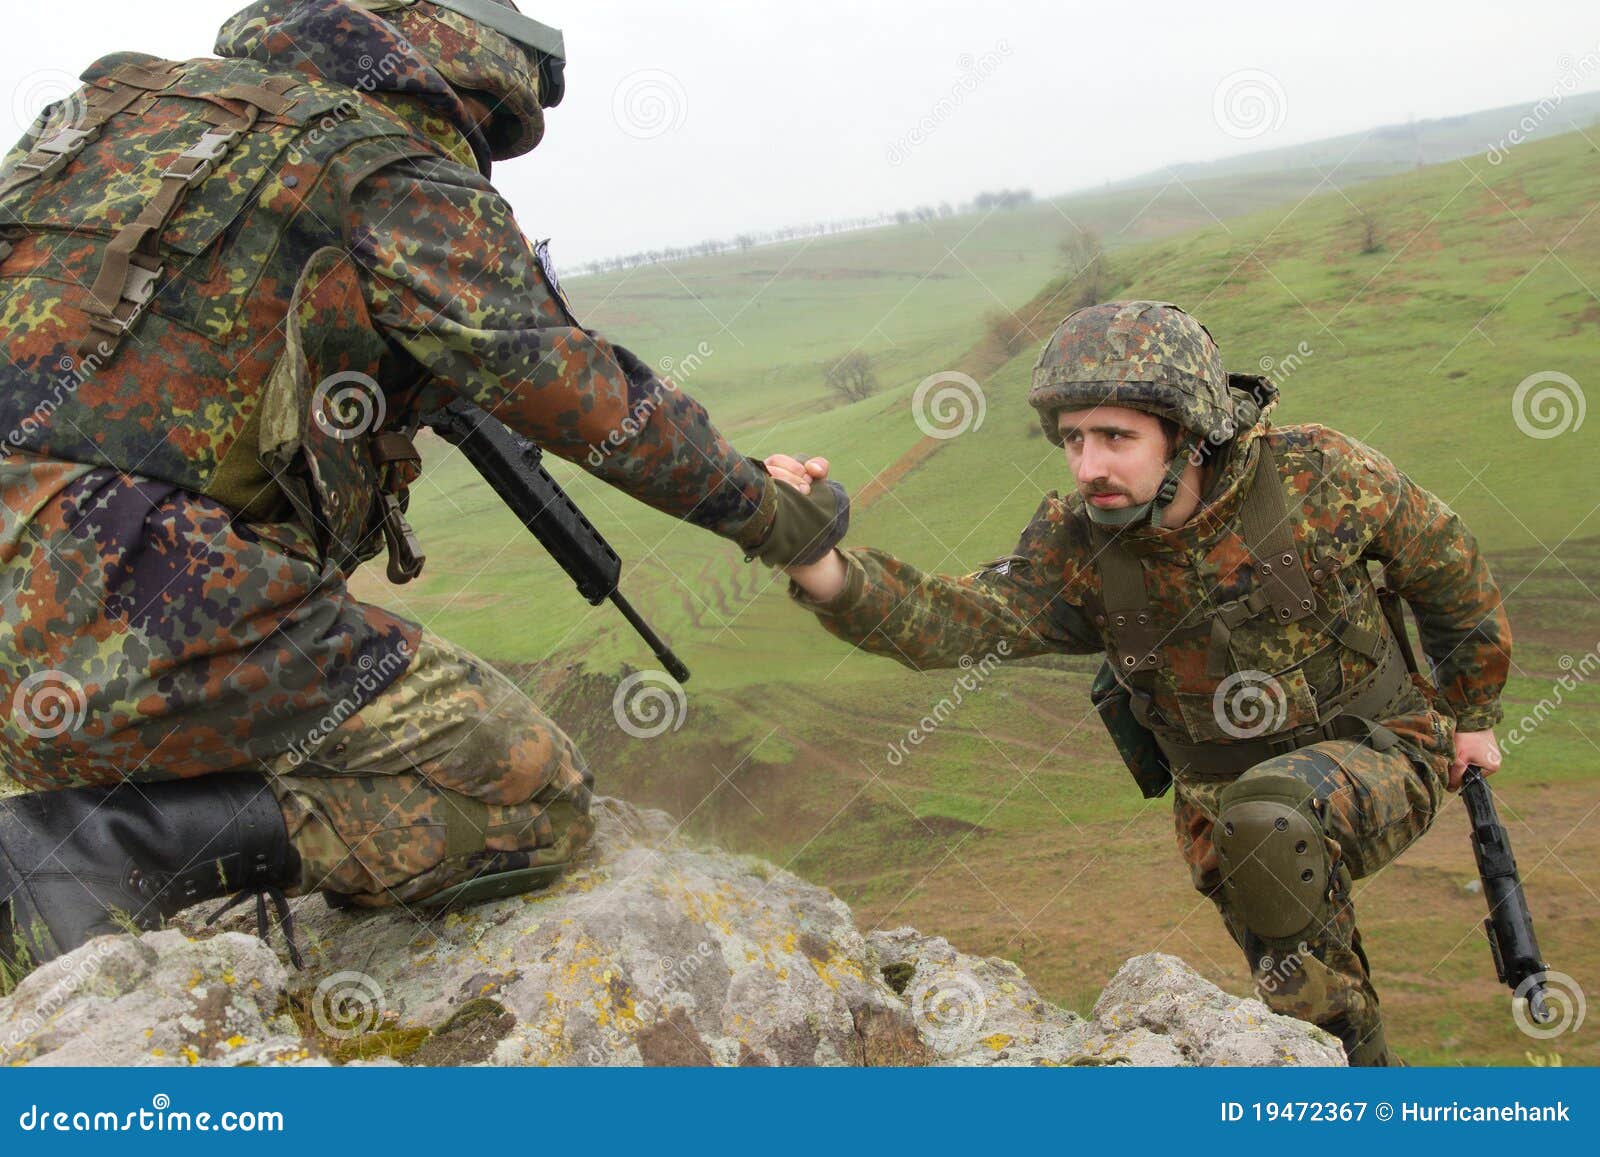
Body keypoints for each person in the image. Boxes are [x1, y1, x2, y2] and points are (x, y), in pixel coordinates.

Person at [0, 0, 845, 980]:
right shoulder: (385, 171)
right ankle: (109, 847)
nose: (481, 150)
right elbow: (590, 397)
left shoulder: (105, 113)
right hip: (124, 598)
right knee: (527, 792)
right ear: (462, 74)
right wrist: (774, 511)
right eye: (491, 126)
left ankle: (93, 848)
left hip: (45, 639)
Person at [771, 300, 1509, 1065]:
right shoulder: (1076, 543)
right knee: (1318, 1026)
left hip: (1383, 744)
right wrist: (819, 563)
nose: (1090, 466)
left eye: (1116, 437)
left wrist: (1474, 712)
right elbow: (959, 617)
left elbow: (1445, 563)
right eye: (1073, 440)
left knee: (1273, 819)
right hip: (1234, 823)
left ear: (1186, 435)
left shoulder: (1318, 477)